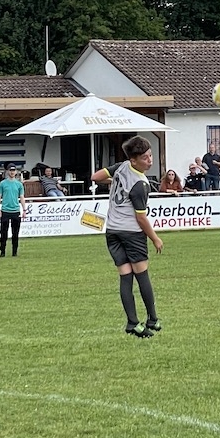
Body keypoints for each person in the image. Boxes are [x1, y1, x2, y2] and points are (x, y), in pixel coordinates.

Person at [91, 136, 163, 338]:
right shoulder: (141, 184)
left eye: (150, 156)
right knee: (142, 275)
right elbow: (141, 218)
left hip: (112, 231)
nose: (150, 160)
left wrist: (115, 181)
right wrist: (155, 238)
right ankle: (152, 319)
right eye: (145, 158)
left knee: (125, 275)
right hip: (131, 232)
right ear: (134, 160)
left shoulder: (122, 167)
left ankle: (132, 323)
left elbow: (95, 177)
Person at [0, 165, 25, 257]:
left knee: (15, 233)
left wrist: (24, 209)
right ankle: (2, 251)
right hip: (5, 210)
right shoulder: (2, 183)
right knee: (3, 233)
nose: (12, 172)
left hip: (15, 210)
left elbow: (22, 197)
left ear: (16, 172)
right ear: (7, 171)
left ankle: (14, 252)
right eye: (10, 170)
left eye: (13, 170)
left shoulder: (19, 184)